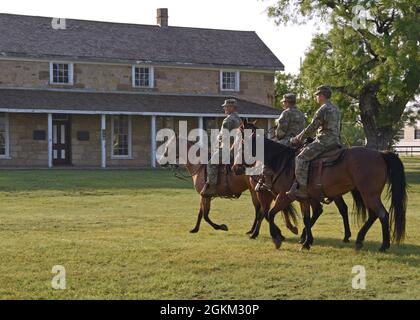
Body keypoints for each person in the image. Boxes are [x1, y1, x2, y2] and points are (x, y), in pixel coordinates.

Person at [286, 85, 341, 199]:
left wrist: (298, 138)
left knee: (300, 158)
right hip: (335, 141)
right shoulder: (335, 108)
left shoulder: (323, 109)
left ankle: (302, 190)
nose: (316, 97)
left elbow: (312, 127)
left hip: (324, 141)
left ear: (321, 96)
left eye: (317, 95)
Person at [255, 93, 305, 192]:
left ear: (287, 102)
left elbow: (281, 133)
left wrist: (276, 134)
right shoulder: (301, 113)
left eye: (284, 102)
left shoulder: (286, 113)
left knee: (268, 153)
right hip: (300, 141)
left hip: (287, 141)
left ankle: (267, 182)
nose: (283, 104)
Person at [200, 99, 242, 197]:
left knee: (211, 163)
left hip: (228, 148)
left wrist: (218, 139)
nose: (224, 108)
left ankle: (212, 187)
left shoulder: (228, 120)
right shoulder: (239, 118)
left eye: (226, 107)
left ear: (232, 107)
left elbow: (225, 136)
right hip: (238, 148)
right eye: (225, 107)